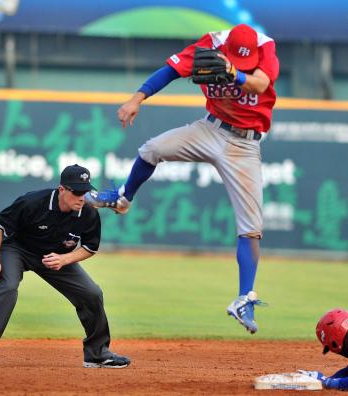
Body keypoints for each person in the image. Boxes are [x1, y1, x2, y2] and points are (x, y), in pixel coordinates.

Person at [84, 24, 280, 334]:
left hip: (245, 144)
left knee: (251, 229)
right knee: (152, 149)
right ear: (226, 48)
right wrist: (136, 99)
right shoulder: (210, 45)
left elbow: (259, 84)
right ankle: (123, 198)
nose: (241, 64)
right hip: (211, 129)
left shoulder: (265, 47)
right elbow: (170, 71)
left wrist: (235, 73)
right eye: (235, 60)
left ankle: (244, 298)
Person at [0, 165, 130, 369]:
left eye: (85, 192)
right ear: (62, 190)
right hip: (18, 250)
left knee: (91, 293)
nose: (81, 197)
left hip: (54, 257)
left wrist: (64, 259)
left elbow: (89, 247)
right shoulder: (33, 202)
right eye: (76, 192)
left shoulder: (87, 212)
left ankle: (97, 354)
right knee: (8, 288)